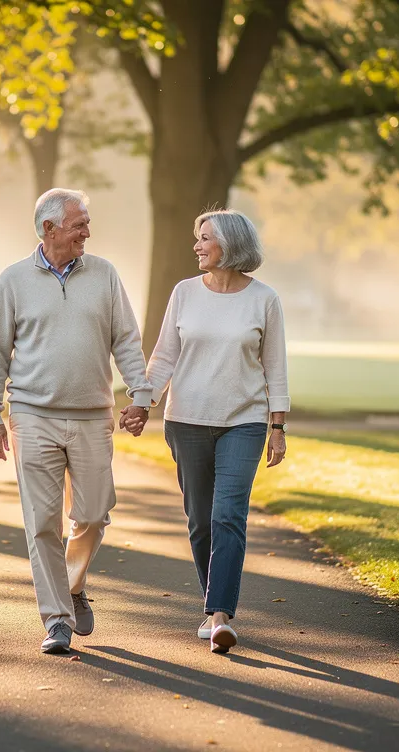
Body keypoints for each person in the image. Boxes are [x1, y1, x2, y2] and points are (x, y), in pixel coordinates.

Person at [0, 188, 151, 654]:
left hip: (93, 415)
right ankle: (56, 619)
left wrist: (141, 393)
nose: (87, 232)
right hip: (33, 415)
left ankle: (73, 586)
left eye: (87, 223)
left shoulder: (105, 275)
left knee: (94, 514)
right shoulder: (13, 281)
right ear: (48, 228)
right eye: (79, 224)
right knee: (42, 523)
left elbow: (127, 341)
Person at [140, 208, 289, 655]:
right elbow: (164, 356)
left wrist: (277, 426)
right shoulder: (184, 293)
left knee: (228, 515)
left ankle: (220, 614)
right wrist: (142, 401)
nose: (197, 245)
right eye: (196, 237)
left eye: (205, 238)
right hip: (185, 421)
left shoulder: (264, 299)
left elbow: (275, 367)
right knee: (201, 521)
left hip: (243, 422)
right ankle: (212, 605)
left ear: (231, 244)